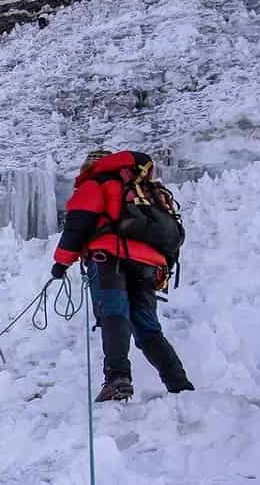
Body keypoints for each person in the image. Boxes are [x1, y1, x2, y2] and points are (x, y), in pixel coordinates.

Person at [51, 149, 194, 402]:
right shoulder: (145, 190)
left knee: (114, 314)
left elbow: (78, 225)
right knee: (148, 328)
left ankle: (117, 379)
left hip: (110, 260)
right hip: (149, 265)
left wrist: (61, 263)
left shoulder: (96, 183)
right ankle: (179, 384)